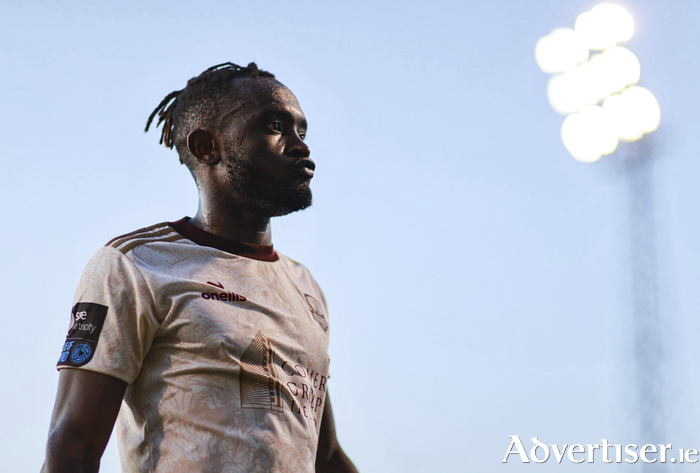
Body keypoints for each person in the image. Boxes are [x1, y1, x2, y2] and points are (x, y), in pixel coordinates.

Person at [42, 62, 358, 473]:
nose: (300, 146)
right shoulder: (135, 265)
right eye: (275, 126)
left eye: (302, 131)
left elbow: (326, 457)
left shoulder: (304, 286)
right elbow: (72, 448)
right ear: (207, 147)